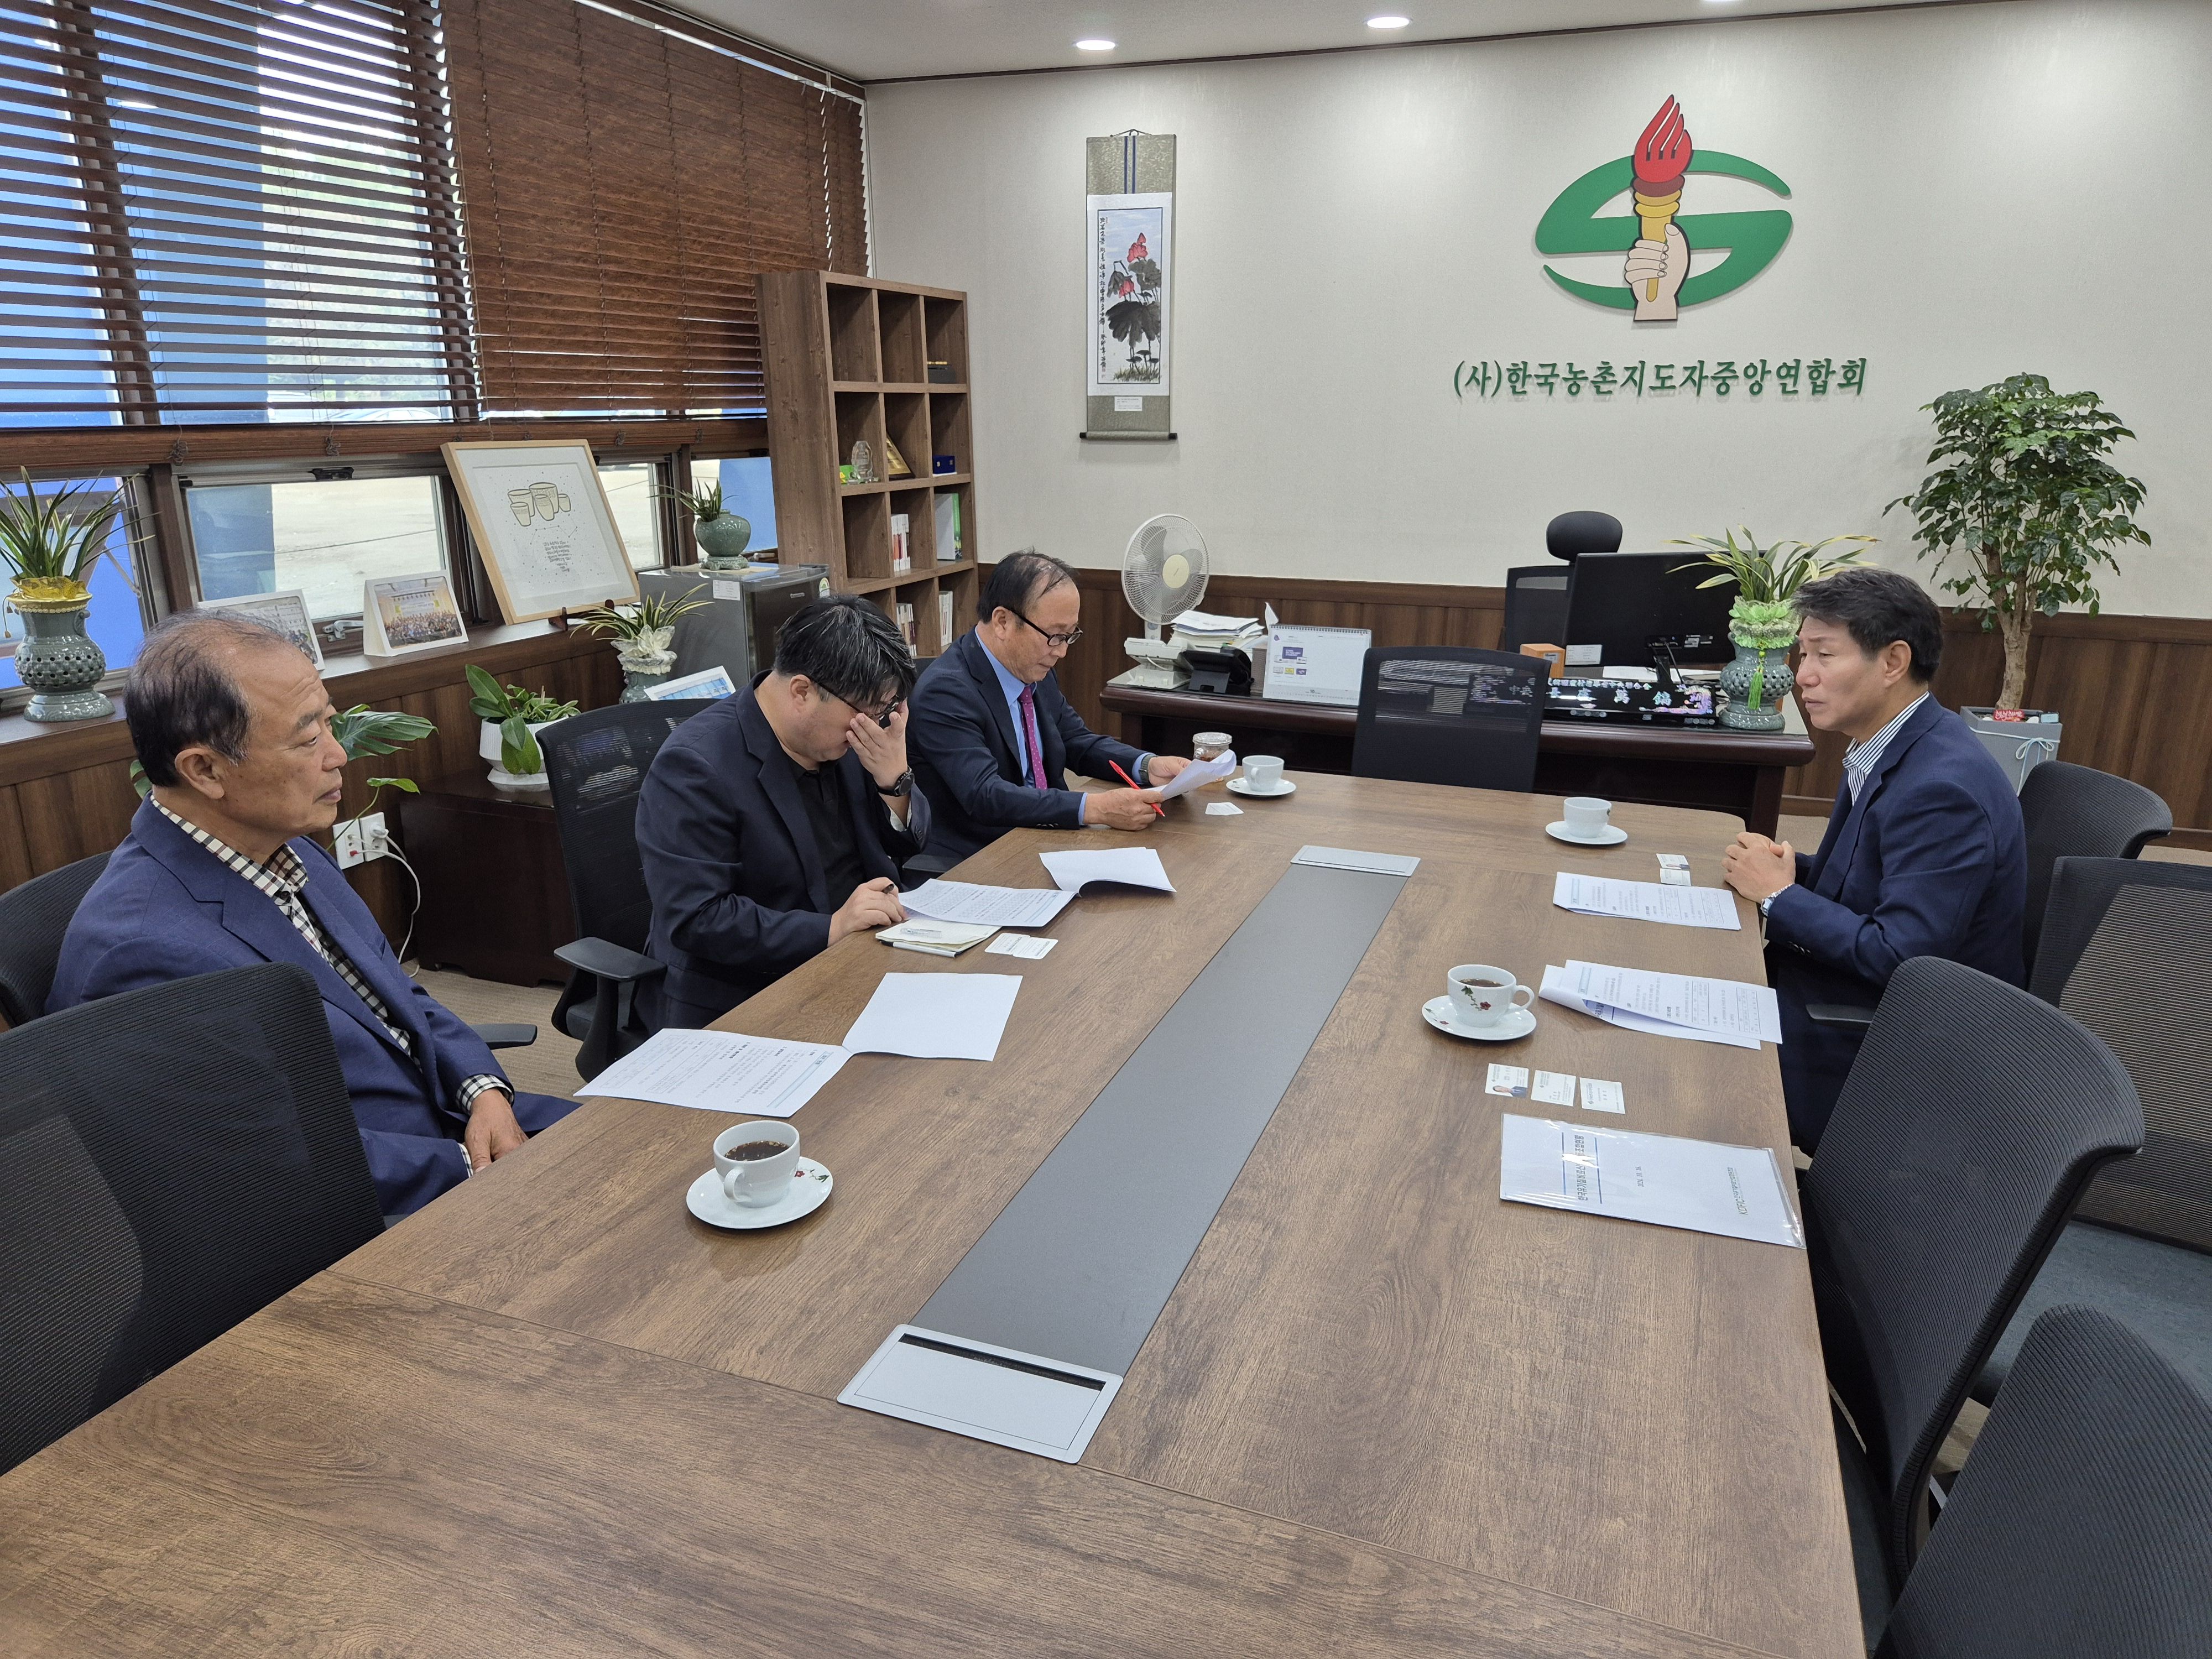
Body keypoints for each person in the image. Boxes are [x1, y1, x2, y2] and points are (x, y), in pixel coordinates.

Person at [50, 611, 577, 1219]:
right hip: (370, 1208)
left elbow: (398, 995)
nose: (336, 756)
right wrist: (479, 1165)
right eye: (307, 739)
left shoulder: (285, 844)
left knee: (661, 1142)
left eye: (329, 724)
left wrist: (482, 1091)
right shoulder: (143, 954)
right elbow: (271, 1160)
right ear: (205, 770)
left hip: (453, 1120)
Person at [1720, 566, 2026, 1150]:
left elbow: (1902, 956)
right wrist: (1788, 867)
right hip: (1843, 997)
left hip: (1892, 1045)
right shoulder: (1893, 742)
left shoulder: (1944, 789)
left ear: (1892, 662)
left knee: (1684, 1060)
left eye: (1823, 656)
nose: (1801, 676)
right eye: (1801, 654)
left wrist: (1781, 895)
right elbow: (1870, 881)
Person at [638, 593, 929, 1027]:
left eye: (885, 711)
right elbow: (698, 918)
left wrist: (895, 779)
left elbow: (906, 842)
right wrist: (830, 928)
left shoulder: (844, 734)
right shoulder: (695, 767)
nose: (874, 726)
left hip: (860, 958)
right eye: (867, 713)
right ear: (802, 692)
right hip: (748, 993)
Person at [907, 548, 1190, 862]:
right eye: (1055, 636)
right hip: (978, 857)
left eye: (1070, 636)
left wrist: (1147, 766)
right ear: (1002, 621)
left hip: (1045, 839)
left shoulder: (1033, 668)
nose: (1062, 652)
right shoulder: (945, 692)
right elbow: (985, 795)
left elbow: (1076, 742)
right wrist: (1095, 808)